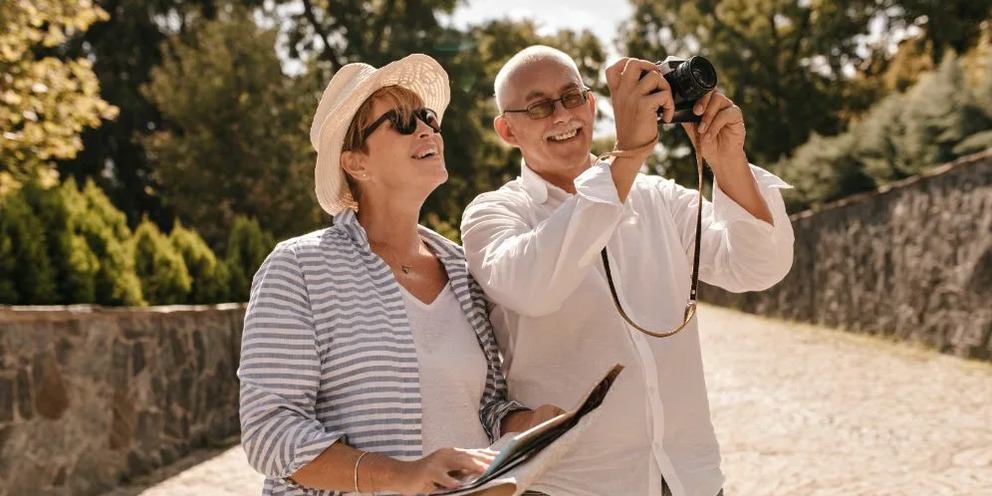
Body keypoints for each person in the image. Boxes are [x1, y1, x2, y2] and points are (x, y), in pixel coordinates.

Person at [460, 46, 795, 496]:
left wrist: (727, 158)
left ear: (593, 104)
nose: (561, 115)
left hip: (689, 477)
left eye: (571, 97)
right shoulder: (493, 213)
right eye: (539, 106)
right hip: (574, 485)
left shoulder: (658, 197)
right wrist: (629, 154)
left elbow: (756, 267)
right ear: (507, 129)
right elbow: (531, 287)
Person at [238, 53, 562, 496]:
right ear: (356, 164)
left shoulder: (464, 272)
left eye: (427, 117)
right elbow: (269, 431)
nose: (428, 128)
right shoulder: (298, 268)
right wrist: (400, 476)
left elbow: (483, 408)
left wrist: (527, 424)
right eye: (402, 121)